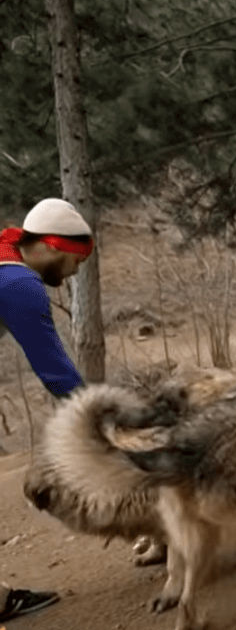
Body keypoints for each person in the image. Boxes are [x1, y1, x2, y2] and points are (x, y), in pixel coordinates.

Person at [0, 196, 96, 622]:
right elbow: (56, 374)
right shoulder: (19, 284)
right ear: (58, 247)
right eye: (77, 262)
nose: (75, 273)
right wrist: (103, 420)